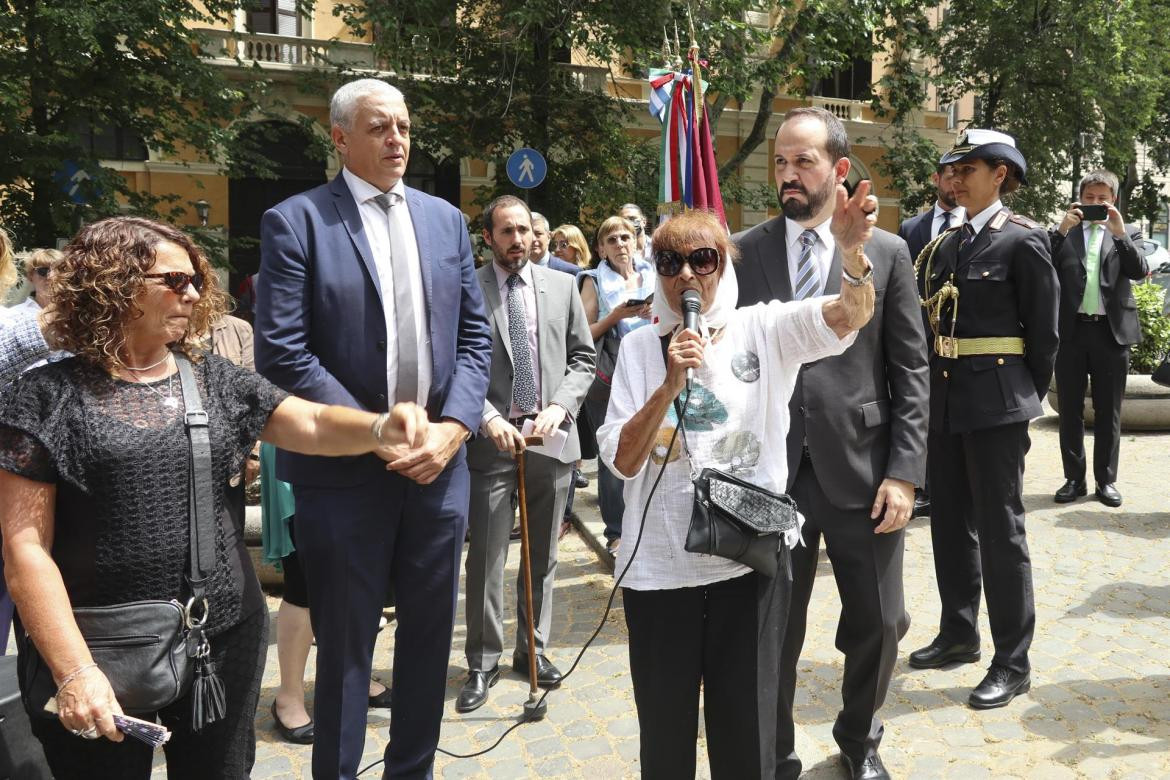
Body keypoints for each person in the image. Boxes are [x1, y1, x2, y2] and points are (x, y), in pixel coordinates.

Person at [0, 215, 429, 779]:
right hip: (99, 647)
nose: (194, 293)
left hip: (221, 639)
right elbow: (25, 549)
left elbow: (311, 422)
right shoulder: (42, 398)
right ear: (115, 285)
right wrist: (74, 670)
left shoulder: (213, 377)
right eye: (174, 281)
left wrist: (378, 429)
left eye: (195, 280)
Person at [254, 77, 492, 780]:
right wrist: (374, 432)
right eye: (380, 128)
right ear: (340, 138)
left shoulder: (445, 220)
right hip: (343, 477)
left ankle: (411, 769)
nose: (398, 141)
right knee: (348, 645)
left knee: (427, 644)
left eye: (405, 128)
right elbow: (284, 353)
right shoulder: (296, 222)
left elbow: (476, 340)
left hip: (438, 470)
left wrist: (453, 428)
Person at [598, 205, 876, 779]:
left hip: (747, 565)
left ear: (723, 266)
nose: (686, 277)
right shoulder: (637, 349)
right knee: (666, 734)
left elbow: (851, 314)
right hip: (660, 573)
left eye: (703, 259)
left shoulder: (763, 328)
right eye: (670, 263)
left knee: (748, 731)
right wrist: (669, 383)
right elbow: (624, 462)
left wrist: (850, 258)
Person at [734, 106, 929, 780]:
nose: (788, 175)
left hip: (862, 469)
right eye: (780, 162)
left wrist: (903, 472)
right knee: (771, 633)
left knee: (882, 621)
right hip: (771, 475)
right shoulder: (743, 250)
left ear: (839, 170)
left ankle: (858, 740)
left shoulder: (889, 253)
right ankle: (774, 754)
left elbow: (910, 368)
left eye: (803, 162)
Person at [909, 129, 1059, 711]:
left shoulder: (1024, 241)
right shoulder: (945, 245)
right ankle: (958, 632)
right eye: (951, 169)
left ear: (1000, 174)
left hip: (996, 406)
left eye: (965, 168)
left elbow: (1044, 336)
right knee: (948, 522)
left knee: (1001, 530)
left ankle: (1012, 660)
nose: (953, 178)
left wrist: (1020, 397)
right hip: (946, 402)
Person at [456, 196, 595, 712]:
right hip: (491, 440)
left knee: (544, 554)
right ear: (489, 237)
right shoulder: (468, 285)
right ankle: (483, 661)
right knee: (488, 556)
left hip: (551, 442)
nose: (518, 240)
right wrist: (486, 417)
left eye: (523, 230)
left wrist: (561, 405)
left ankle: (531, 651)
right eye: (506, 232)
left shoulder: (562, 286)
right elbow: (454, 360)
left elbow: (584, 358)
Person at [1050, 169, 1147, 508]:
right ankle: (1073, 480)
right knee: (1070, 412)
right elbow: (1042, 264)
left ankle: (1106, 481)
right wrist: (1062, 229)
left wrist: (1119, 233)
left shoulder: (1128, 231)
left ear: (1113, 200)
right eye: (1089, 198)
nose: (1095, 203)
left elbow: (1138, 271)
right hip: (1071, 333)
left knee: (1109, 412)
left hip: (1111, 334)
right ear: (1079, 199)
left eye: (1102, 198)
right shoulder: (1067, 233)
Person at [579, 216, 655, 555]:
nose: (620, 244)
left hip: (655, 369)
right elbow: (581, 333)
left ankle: (650, 524)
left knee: (658, 445)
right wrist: (616, 317)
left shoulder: (653, 273)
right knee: (617, 449)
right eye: (611, 239)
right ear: (601, 248)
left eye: (626, 236)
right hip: (612, 375)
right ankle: (617, 531)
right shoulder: (593, 280)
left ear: (637, 241)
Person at [898, 161, 964, 518]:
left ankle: (950, 484)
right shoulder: (912, 227)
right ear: (936, 179)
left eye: (963, 175)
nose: (956, 182)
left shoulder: (977, 225)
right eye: (950, 175)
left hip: (961, 338)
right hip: (920, 334)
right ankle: (922, 485)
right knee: (922, 410)